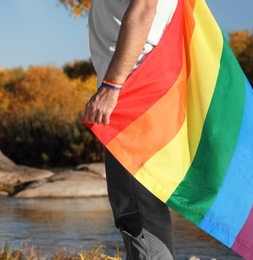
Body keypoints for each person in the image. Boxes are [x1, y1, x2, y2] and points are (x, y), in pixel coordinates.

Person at [82, 0, 179, 259]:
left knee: (138, 211)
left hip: (133, 91)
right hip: (142, 88)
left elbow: (145, 6)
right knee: (142, 209)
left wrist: (112, 86)